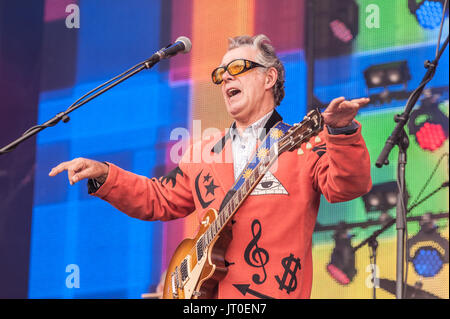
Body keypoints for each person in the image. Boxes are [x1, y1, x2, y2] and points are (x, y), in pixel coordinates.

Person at [49, 34, 372, 299]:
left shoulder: (304, 146)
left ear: (269, 78)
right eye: (220, 74)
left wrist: (342, 134)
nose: (225, 78)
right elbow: (158, 198)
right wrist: (106, 174)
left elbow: (348, 187)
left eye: (238, 67)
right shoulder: (202, 151)